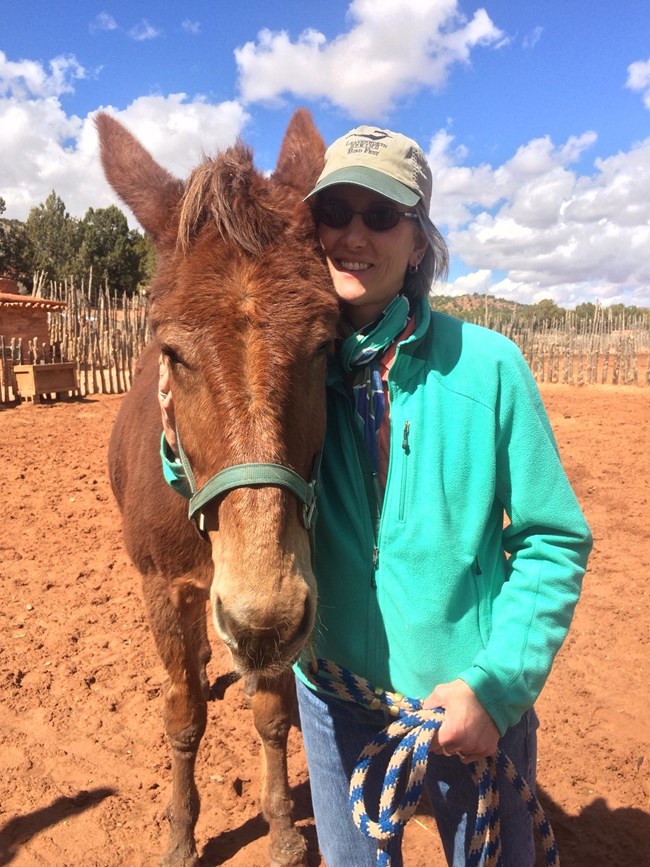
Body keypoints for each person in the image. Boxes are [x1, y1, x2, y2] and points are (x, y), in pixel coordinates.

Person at [158, 125, 592, 866]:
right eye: (337, 213)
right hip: (336, 707)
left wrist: (498, 687)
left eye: (382, 215)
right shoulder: (295, 365)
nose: (354, 234)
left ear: (418, 241)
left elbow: (555, 539)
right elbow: (232, 473)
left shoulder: (490, 368)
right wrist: (177, 428)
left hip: (471, 706)